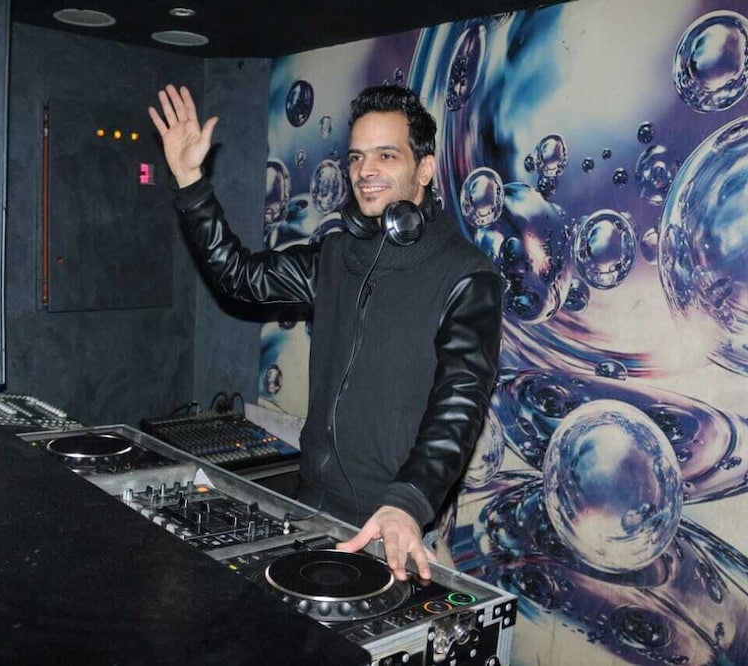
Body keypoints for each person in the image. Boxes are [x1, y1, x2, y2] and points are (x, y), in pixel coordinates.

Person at [148, 83, 502, 581]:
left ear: (424, 169)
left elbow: (460, 403)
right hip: (311, 505)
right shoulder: (336, 256)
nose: (365, 170)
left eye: (386, 155)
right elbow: (240, 276)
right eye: (357, 157)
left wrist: (408, 501)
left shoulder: (467, 274)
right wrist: (190, 180)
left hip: (390, 523)